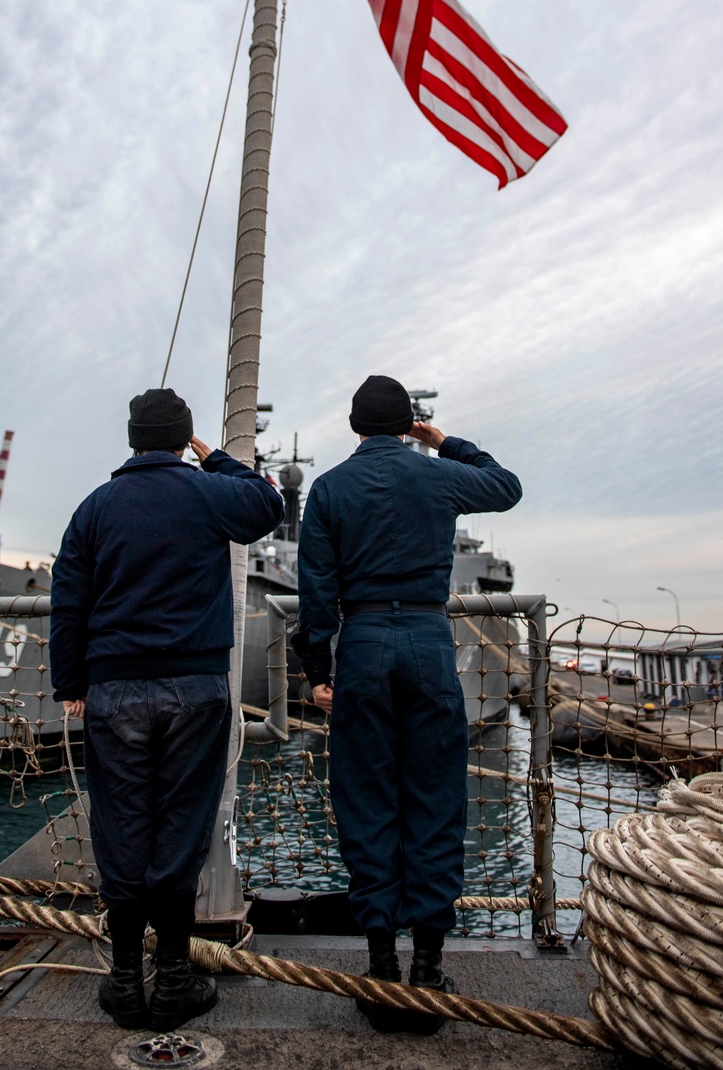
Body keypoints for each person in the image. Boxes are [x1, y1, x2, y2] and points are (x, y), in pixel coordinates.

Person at [293, 375, 522, 1034]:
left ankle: (380, 966)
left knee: (366, 802)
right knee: (434, 798)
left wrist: (316, 667)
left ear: (355, 426)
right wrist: (445, 441)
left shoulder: (330, 488)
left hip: (361, 644)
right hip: (427, 639)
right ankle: (427, 966)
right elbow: (506, 486)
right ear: (407, 425)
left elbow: (315, 589)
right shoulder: (436, 475)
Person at [50, 388, 283, 1031]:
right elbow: (269, 504)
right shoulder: (207, 493)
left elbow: (68, 600)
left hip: (115, 690)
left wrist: (70, 683)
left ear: (131, 438)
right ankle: (175, 980)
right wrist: (221, 463)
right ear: (184, 438)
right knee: (182, 826)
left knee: (122, 828)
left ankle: (125, 982)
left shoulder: (94, 507)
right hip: (196, 686)